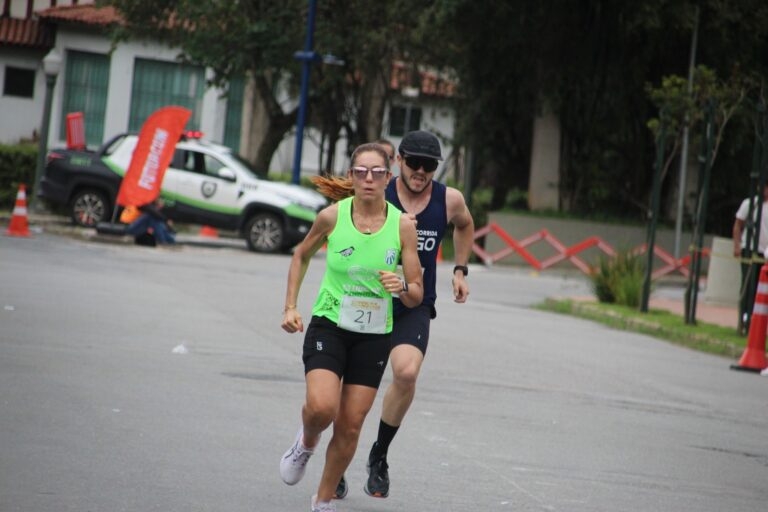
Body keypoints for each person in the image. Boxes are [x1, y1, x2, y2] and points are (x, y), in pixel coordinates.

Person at [279, 143, 423, 512]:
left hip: (375, 334)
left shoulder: (402, 226)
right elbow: (301, 255)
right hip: (330, 323)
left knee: (350, 426)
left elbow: (417, 293)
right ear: (352, 176)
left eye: (377, 172)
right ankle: (306, 441)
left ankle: (323, 501)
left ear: (388, 178)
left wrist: (402, 287)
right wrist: (291, 306)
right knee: (322, 408)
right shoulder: (332, 217)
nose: (369, 179)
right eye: (361, 171)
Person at [335, 130, 474, 499]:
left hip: (414, 302)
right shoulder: (378, 191)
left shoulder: (449, 200)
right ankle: (338, 464)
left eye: (429, 166)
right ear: (399, 161)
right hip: (367, 300)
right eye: (414, 163)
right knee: (351, 392)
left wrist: (460, 270)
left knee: (407, 373)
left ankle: (378, 456)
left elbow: (465, 224)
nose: (421, 171)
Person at [733, 183, 768, 333]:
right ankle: (743, 320)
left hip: (764, 252)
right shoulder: (750, 204)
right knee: (748, 286)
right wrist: (737, 245)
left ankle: (757, 323)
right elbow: (738, 225)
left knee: (761, 290)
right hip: (749, 249)